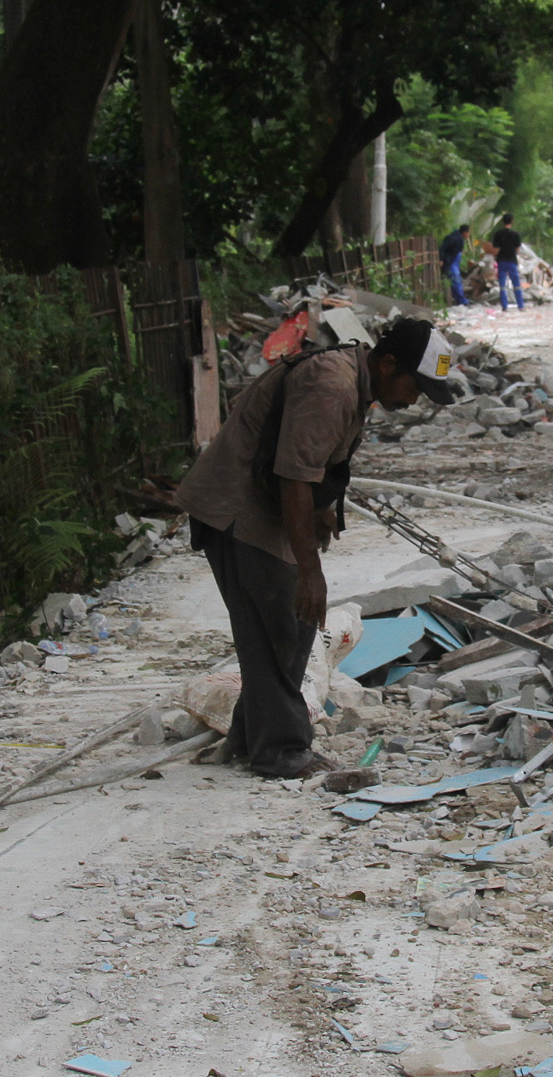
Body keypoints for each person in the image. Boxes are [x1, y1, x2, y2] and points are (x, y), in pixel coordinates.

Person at [174, 317, 459, 778]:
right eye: (415, 387)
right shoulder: (332, 384)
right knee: (285, 622)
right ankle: (282, 751)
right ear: (388, 365)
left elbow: (319, 461)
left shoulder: (354, 380)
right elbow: (293, 474)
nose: (413, 401)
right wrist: (310, 570)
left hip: (256, 503)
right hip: (235, 507)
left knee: (276, 629)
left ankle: (252, 738)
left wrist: (326, 510)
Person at [490, 213, 524, 310]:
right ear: (512, 221)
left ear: (502, 222)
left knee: (502, 285)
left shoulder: (498, 234)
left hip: (501, 261)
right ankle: (520, 306)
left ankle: (504, 306)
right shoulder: (515, 234)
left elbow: (495, 248)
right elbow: (517, 248)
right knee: (516, 284)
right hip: (512, 260)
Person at [438, 222, 470, 307]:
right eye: (468, 233)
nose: (468, 235)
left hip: (454, 263)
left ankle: (461, 300)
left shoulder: (459, 238)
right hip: (450, 262)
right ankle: (462, 301)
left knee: (456, 281)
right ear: (464, 232)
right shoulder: (454, 238)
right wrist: (441, 259)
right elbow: (443, 248)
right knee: (456, 282)